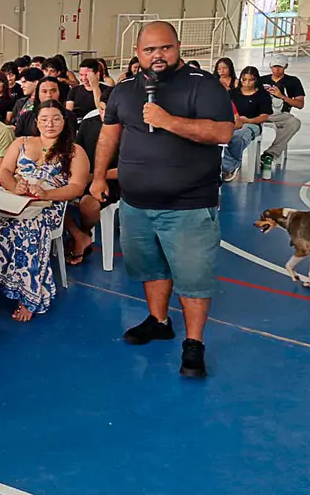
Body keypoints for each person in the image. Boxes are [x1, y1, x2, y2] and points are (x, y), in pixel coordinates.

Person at [90, 21, 234, 379]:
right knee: (150, 267)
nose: (157, 55)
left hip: (189, 205)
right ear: (137, 53)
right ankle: (159, 321)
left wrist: (169, 121)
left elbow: (222, 131)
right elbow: (109, 136)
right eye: (149, 49)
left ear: (178, 47)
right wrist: (98, 176)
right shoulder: (124, 90)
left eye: (165, 48)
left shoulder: (203, 85)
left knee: (193, 278)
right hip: (136, 204)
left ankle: (194, 343)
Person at [0, 100, 88, 321]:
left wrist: (46, 194)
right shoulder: (21, 142)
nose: (50, 124)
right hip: (16, 200)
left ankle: (28, 295)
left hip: (49, 206)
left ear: (64, 121)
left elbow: (77, 187)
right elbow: (4, 171)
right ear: (36, 122)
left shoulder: (75, 151)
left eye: (55, 119)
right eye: (44, 119)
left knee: (27, 228)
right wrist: (14, 186)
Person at [65, 88, 118, 264]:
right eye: (102, 109)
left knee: (88, 203)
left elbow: (130, 168)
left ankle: (84, 233)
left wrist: (96, 177)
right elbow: (76, 151)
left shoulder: (131, 128)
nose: (105, 115)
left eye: (110, 111)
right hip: (85, 174)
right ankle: (79, 236)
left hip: (114, 180)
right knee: (53, 196)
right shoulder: (89, 123)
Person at [222, 66, 271, 182]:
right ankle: (229, 163)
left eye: (250, 80)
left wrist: (247, 120)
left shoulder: (262, 95)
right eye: (244, 79)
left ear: (256, 80)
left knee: (238, 135)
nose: (247, 83)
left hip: (252, 124)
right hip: (232, 122)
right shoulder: (232, 93)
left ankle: (229, 166)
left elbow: (264, 116)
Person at [260, 54, 304, 163]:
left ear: (286, 66)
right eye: (275, 66)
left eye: (280, 66)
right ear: (270, 66)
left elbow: (300, 104)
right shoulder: (261, 80)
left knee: (294, 123)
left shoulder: (293, 81)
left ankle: (270, 153)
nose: (277, 69)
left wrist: (282, 96)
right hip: (261, 113)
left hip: (281, 114)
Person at [65, 58, 107, 124]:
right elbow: (68, 112)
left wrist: (95, 87)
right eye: (81, 75)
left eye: (87, 75)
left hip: (96, 123)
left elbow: (100, 109)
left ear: (97, 74)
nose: (84, 78)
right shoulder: (74, 90)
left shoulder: (107, 90)